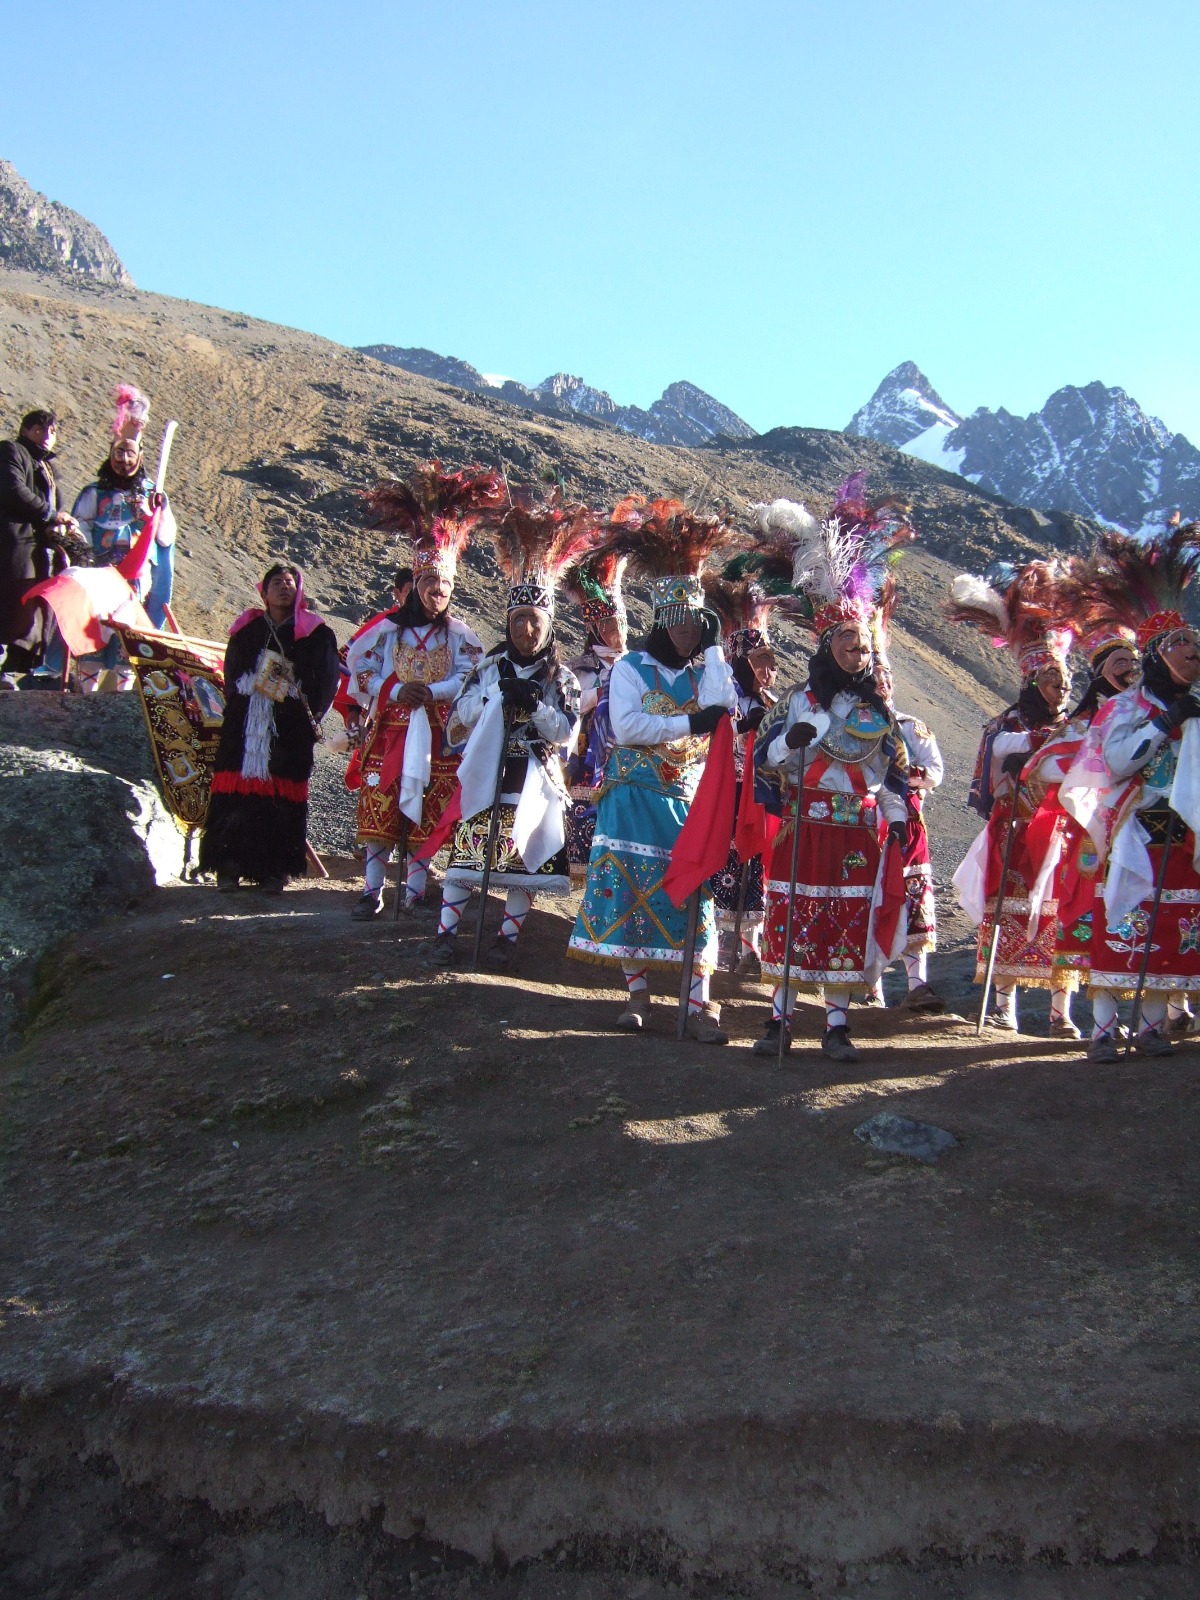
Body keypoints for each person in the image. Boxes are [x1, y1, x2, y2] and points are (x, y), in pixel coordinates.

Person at [748, 481, 915, 1063]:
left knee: (847, 919)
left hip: (855, 830)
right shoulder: (797, 703)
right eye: (847, 639)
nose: (858, 650)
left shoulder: (877, 714)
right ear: (826, 646)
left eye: (863, 643)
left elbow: (892, 774)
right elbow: (764, 761)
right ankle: (779, 1021)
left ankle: (837, 1025)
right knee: (793, 915)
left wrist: (898, 821)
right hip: (803, 825)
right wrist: (785, 748)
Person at [567, 496, 738, 1042]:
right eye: (682, 626)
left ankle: (697, 1004)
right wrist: (691, 725)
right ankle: (637, 991)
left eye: (697, 626)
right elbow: (630, 726)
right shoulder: (631, 668)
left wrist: (713, 653)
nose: (688, 634)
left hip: (687, 796)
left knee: (694, 890)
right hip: (633, 795)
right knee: (630, 888)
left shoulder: (701, 669)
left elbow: (724, 707)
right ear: (662, 621)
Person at [428, 493, 592, 967]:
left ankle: (507, 939)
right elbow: (459, 716)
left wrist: (536, 707)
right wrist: (493, 698)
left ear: (549, 627)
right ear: (508, 622)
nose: (526, 631)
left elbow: (566, 732)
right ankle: (445, 934)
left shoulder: (561, 678)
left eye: (535, 622)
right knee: (467, 856)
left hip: (535, 778)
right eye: (518, 621)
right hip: (487, 773)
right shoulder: (488, 666)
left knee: (525, 862)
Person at [1060, 524, 1200, 1059]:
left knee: (1168, 921)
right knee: (1122, 919)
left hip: (1183, 831)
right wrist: (1165, 723)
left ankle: (1151, 1026)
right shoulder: (1125, 709)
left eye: (1194, 642)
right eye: (1181, 644)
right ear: (1159, 654)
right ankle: (1101, 1029)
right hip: (1131, 827)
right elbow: (1116, 763)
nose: (1192, 651)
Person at [349, 466, 501, 917]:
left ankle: (415, 892)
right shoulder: (386, 633)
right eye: (432, 583)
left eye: (447, 584)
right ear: (415, 585)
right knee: (381, 810)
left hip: (439, 737)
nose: (439, 591)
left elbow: (472, 678)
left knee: (426, 815)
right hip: (391, 732)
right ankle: (370, 891)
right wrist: (395, 690)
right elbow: (360, 670)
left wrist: (433, 691)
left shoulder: (460, 634)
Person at [950, 562, 1077, 1036]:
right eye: (1052, 681)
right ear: (1031, 682)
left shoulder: (1078, 727)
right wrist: (1032, 745)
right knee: (1010, 915)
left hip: (1063, 837)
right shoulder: (1007, 726)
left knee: (1063, 919)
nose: (1061, 688)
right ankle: (1005, 1005)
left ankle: (1061, 1013)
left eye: (1065, 682)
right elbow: (992, 769)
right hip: (1017, 835)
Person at [199, 563, 339, 892]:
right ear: (263, 592)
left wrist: (310, 718)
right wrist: (245, 702)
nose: (283, 587)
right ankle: (228, 867)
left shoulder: (318, 634)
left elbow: (328, 681)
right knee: (235, 792)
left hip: (288, 726)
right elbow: (231, 674)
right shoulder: (247, 630)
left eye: (290, 582)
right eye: (275, 582)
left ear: (300, 590)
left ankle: (276, 870)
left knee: (282, 792)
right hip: (244, 723)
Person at [70, 385, 176, 691]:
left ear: (140, 456)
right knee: (94, 631)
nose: (124, 459)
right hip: (99, 573)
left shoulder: (151, 496)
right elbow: (82, 524)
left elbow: (166, 538)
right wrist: (84, 551)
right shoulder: (94, 493)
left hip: (135, 580)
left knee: (126, 636)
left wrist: (157, 513)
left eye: (130, 453)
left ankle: (120, 695)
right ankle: (84, 696)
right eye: (119, 452)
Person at [700, 575, 779, 976]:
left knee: (757, 865)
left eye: (770, 662)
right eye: (758, 662)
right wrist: (744, 728)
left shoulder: (776, 705)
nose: (766, 671)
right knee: (723, 862)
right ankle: (714, 943)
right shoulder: (723, 697)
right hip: (725, 792)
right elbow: (709, 740)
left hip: (761, 796)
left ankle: (750, 948)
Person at [870, 629, 945, 1012]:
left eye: (887, 677)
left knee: (912, 897)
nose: (882, 682)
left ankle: (917, 984)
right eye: (875, 676)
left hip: (909, 824)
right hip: (869, 820)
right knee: (873, 897)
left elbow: (935, 771)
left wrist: (906, 773)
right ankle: (871, 988)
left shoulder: (913, 726)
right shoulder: (855, 722)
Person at [0, 408, 81, 684]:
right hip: (11, 540)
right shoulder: (11, 451)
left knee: (34, 607)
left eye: (52, 431)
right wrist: (50, 514)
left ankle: (12, 669)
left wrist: (62, 525)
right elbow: (13, 490)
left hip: (38, 546)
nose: (46, 436)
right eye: (39, 429)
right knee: (11, 599)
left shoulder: (47, 467)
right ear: (25, 431)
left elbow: (53, 507)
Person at [562, 547, 628, 883]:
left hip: (624, 754)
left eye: (620, 622)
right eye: (609, 624)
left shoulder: (634, 668)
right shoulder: (577, 669)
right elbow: (567, 700)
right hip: (586, 753)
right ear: (594, 627)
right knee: (583, 817)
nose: (618, 630)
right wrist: (598, 697)